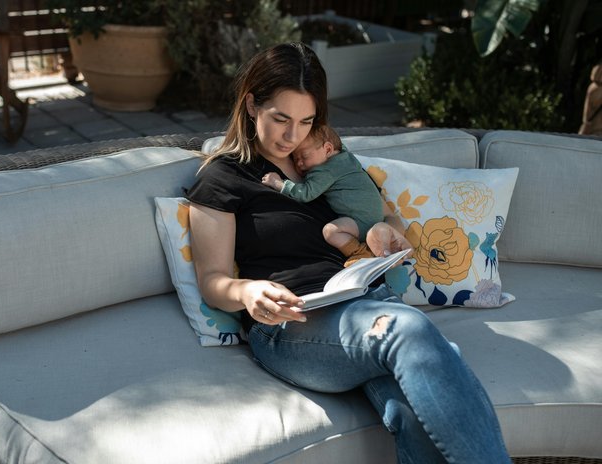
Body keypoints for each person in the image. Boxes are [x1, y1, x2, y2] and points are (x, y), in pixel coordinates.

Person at [186, 42, 511, 463]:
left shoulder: (327, 159)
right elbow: (212, 281)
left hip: (363, 301)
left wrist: (384, 232)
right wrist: (248, 293)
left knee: (412, 410)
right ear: (251, 105)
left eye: (305, 121)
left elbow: (387, 219)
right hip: (292, 323)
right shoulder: (222, 176)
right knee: (410, 333)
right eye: (280, 118)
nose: (292, 136)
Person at [261, 124, 384, 266]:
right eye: (295, 158)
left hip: (361, 222)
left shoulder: (325, 171)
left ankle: (360, 252)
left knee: (331, 231)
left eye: (304, 156)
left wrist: (279, 184)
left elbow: (306, 193)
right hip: (375, 218)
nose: (299, 163)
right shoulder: (347, 157)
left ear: (328, 149)